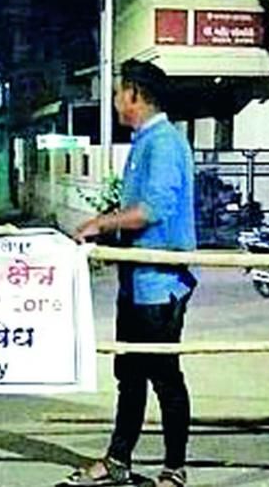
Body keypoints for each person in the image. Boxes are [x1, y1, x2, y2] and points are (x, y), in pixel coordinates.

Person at [64, 60, 197, 487]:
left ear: (135, 95)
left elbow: (152, 210)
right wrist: (106, 226)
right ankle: (118, 460)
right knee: (130, 375)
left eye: (119, 92)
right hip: (135, 282)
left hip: (160, 284)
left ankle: (174, 468)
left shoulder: (164, 143)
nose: (115, 100)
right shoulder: (144, 142)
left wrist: (99, 224)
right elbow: (133, 208)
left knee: (164, 376)